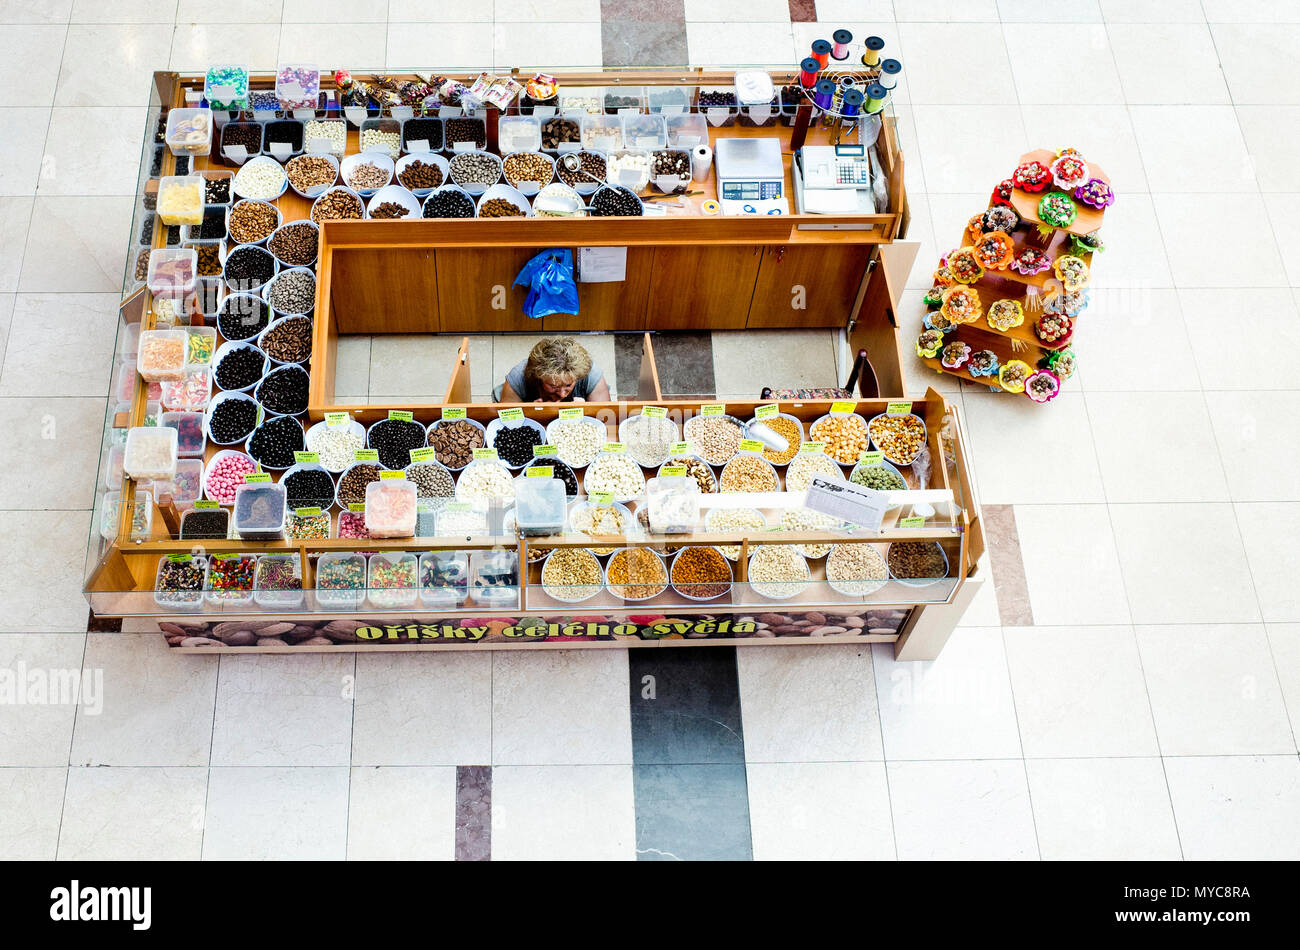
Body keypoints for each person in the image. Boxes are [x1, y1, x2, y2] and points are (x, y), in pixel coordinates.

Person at [496, 337, 611, 403]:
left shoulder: (592, 374)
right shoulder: (517, 378)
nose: (562, 394)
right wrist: (530, 413)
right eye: (554, 386)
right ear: (538, 378)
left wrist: (584, 412)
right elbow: (506, 418)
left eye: (568, 385)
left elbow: (605, 417)